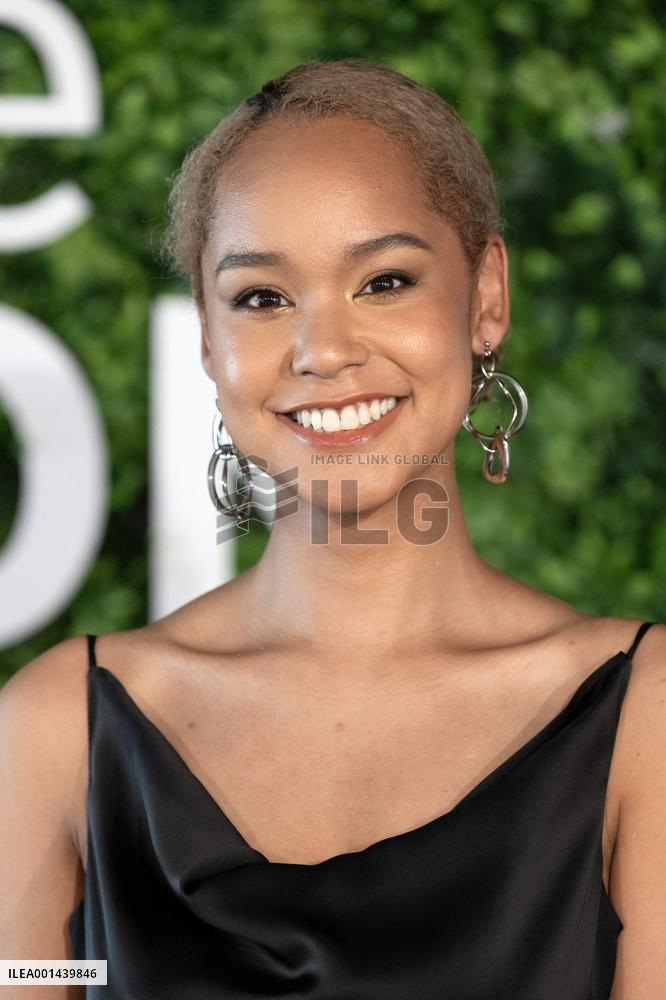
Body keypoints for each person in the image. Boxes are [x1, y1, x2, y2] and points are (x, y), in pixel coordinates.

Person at [0, 57, 664, 1000]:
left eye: (384, 281)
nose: (324, 352)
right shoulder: (59, 729)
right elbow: (27, 974)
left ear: (485, 298)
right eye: (262, 298)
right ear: (206, 339)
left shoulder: (645, 720)